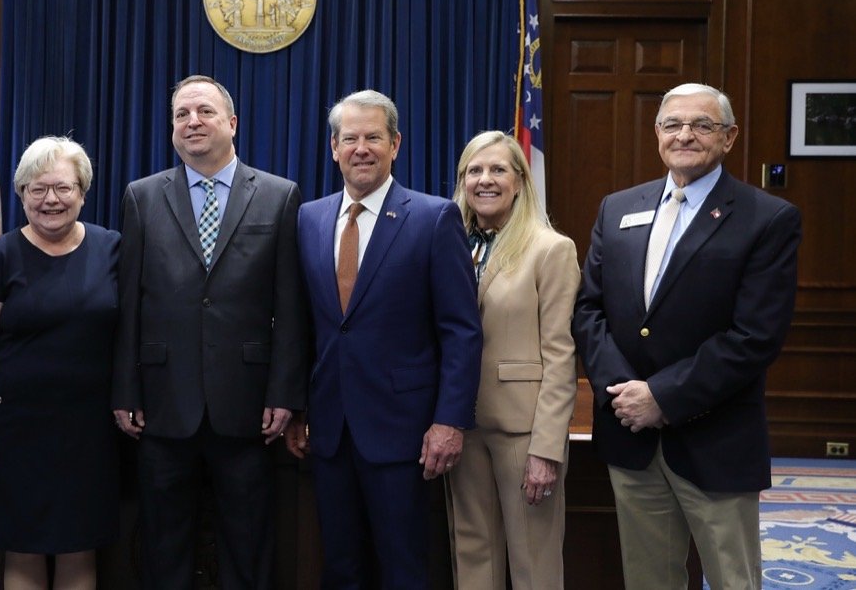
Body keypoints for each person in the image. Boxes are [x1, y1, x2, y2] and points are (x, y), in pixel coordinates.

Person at [572, 83, 801, 590]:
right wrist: (625, 394)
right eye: (672, 124)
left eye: (702, 125)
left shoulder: (767, 219)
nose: (685, 135)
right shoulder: (617, 208)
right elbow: (588, 309)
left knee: (733, 579)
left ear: (729, 137)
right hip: (631, 436)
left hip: (714, 439)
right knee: (648, 580)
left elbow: (755, 336)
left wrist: (662, 396)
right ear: (657, 133)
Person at [111, 75, 308, 590]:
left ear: (232, 123)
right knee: (163, 548)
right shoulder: (141, 196)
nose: (192, 122)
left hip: (247, 407)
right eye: (181, 114)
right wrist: (125, 389)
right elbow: (129, 304)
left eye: (204, 112)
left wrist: (285, 393)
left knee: (248, 546)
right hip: (161, 405)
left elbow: (290, 307)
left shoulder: (279, 196)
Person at [286, 89, 483, 589]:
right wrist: (297, 407)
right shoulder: (309, 218)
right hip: (330, 430)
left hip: (404, 433)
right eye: (350, 139)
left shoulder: (434, 217)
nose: (361, 149)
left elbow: (461, 331)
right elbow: (302, 324)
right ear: (333, 148)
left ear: (395, 144)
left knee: (404, 569)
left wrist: (449, 421)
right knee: (340, 567)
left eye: (373, 137)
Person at [0, 136, 119, 589]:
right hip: (18, 429)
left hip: (91, 429)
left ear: (82, 193)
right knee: (23, 547)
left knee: (79, 547)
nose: (51, 199)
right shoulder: (0, 256)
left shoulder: (113, 249)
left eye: (63, 187)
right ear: (22, 194)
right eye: (38, 188)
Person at [443, 131, 579, 590]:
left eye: (498, 169)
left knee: (533, 563)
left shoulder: (550, 248)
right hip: (461, 424)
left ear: (520, 181)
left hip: (524, 432)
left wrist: (547, 448)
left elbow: (560, 356)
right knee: (472, 554)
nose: (485, 180)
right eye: (474, 171)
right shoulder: (448, 244)